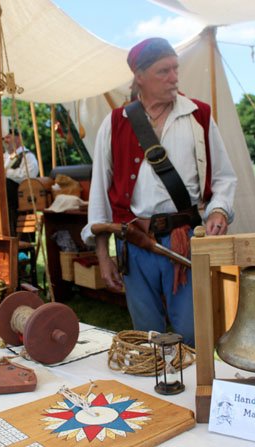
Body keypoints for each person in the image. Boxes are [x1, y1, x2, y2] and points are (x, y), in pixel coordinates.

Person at [81, 38, 237, 347]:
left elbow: (224, 177)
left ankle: (194, 392)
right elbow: (100, 192)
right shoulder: (115, 123)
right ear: (139, 76)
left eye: (175, 69)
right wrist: (103, 254)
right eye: (163, 71)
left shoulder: (198, 116)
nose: (174, 77)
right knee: (146, 337)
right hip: (136, 244)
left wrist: (219, 209)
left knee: (191, 333)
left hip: (185, 240)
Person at [0, 126, 39, 235]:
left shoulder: (28, 156)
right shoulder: (3, 157)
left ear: (18, 139)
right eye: (4, 138)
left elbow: (28, 176)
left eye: (8, 137)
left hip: (17, 208)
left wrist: (5, 173)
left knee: (14, 241)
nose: (5, 141)